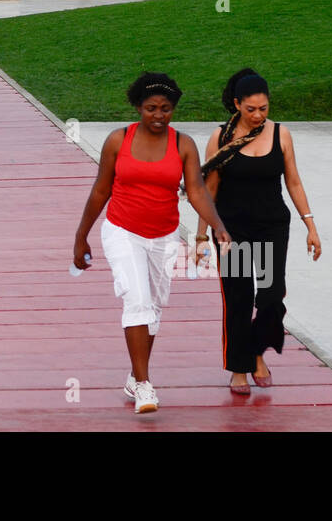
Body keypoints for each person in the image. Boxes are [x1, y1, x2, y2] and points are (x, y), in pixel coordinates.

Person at [71, 73, 230, 415]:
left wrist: (217, 225)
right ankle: (144, 386)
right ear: (137, 107)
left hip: (164, 234)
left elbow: (197, 190)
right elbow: (101, 189)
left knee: (154, 309)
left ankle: (133, 376)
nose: (158, 115)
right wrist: (81, 235)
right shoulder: (118, 140)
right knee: (138, 301)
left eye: (166, 109)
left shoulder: (182, 144)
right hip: (122, 230)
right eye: (151, 108)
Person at [199, 69, 321, 395]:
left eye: (264, 108)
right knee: (238, 299)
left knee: (270, 296)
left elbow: (293, 181)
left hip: (272, 228)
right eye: (251, 109)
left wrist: (311, 225)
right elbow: (208, 189)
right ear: (237, 104)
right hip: (232, 231)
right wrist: (201, 236)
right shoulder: (221, 138)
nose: (258, 115)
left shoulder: (281, 134)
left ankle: (254, 351)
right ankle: (240, 367)